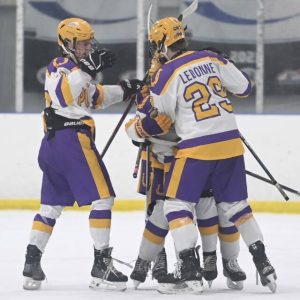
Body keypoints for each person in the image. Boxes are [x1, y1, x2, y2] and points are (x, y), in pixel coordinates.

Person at [146, 17, 277, 294]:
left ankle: (190, 272)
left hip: (197, 147)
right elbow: (245, 88)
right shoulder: (212, 57)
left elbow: (161, 116)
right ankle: (263, 262)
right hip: (230, 144)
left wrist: (155, 75)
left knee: (175, 206)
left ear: (161, 44)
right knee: (237, 207)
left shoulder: (166, 71)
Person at [22, 17, 143, 291]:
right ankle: (101, 267)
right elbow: (65, 95)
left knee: (50, 207)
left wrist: (127, 89)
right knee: (103, 199)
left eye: (90, 42)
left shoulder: (75, 69)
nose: (88, 47)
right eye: (83, 43)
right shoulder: (61, 68)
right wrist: (88, 68)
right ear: (67, 43)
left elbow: (94, 98)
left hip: (54, 145)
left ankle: (31, 263)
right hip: (71, 142)